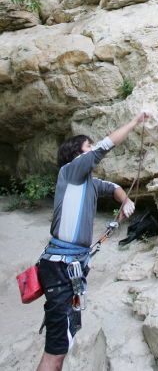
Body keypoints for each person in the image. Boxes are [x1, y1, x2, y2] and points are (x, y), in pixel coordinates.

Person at [36, 111, 150, 371]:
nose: (92, 150)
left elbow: (113, 188)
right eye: (88, 147)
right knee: (55, 351)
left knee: (62, 343)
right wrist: (133, 122)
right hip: (60, 267)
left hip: (69, 267)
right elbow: (103, 147)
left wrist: (126, 200)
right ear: (78, 154)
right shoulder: (71, 171)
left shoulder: (88, 182)